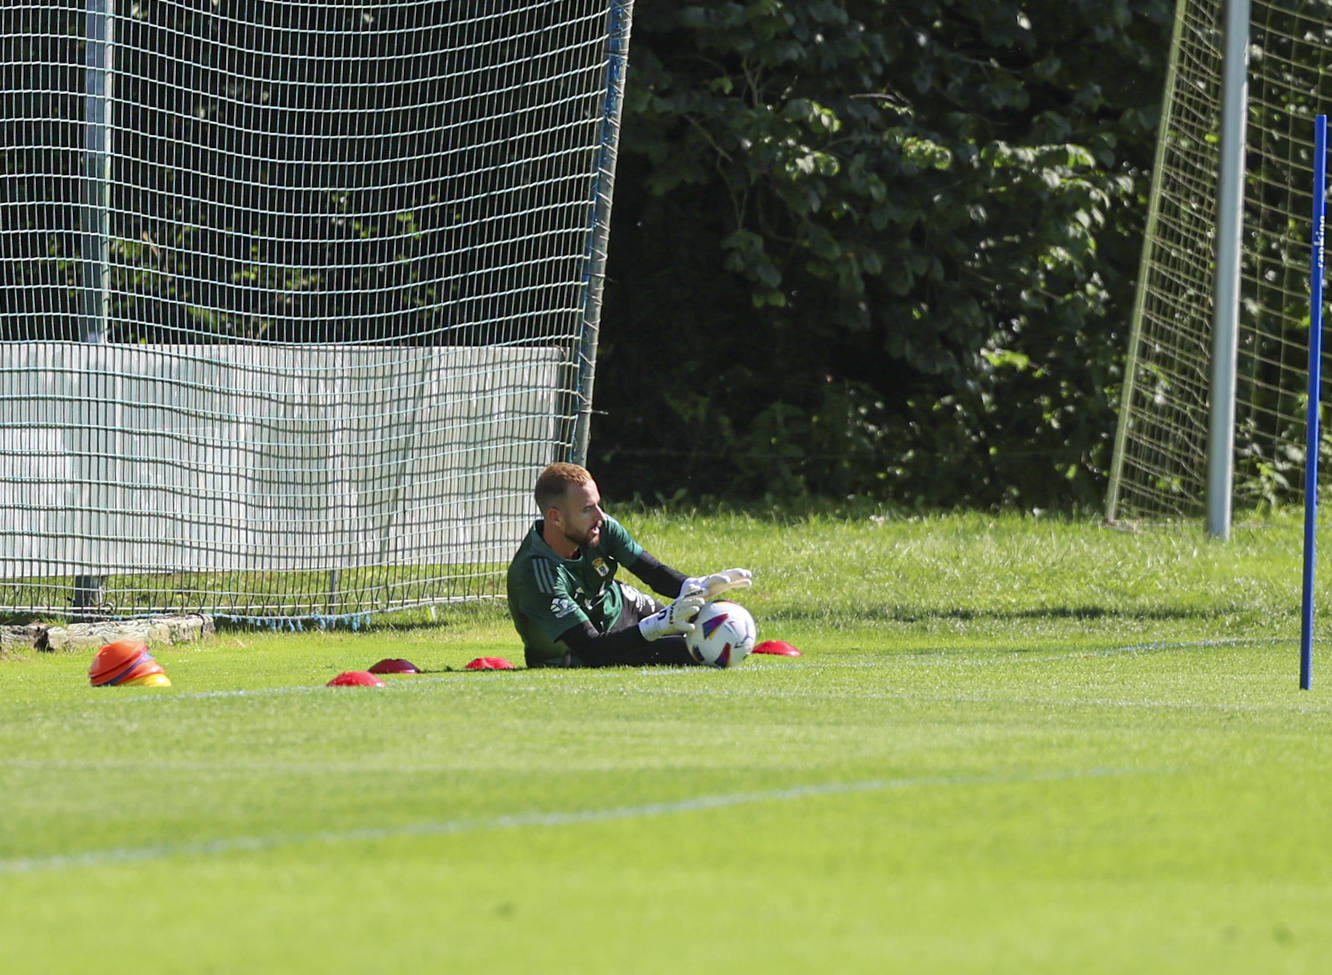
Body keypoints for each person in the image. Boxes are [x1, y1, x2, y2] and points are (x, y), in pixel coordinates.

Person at [506, 462, 752, 668]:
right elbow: (592, 647)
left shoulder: (601, 528)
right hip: (576, 652)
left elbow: (653, 572)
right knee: (693, 651)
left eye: (598, 504)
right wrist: (656, 626)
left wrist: (698, 586)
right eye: (587, 509)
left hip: (619, 607)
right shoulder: (535, 573)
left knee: (700, 617)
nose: (600, 516)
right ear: (555, 517)